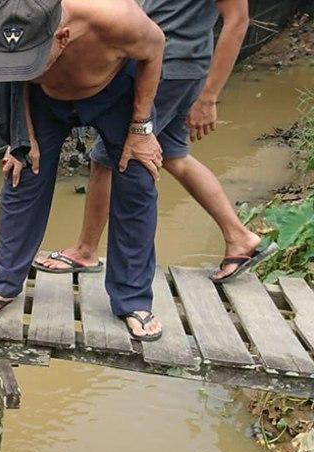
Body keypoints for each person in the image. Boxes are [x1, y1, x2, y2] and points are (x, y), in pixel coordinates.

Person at [33, 0, 271, 284]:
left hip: (166, 66)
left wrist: (209, 97)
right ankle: (239, 237)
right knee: (174, 155)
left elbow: (238, 20)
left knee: (110, 159)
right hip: (167, 62)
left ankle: (85, 251)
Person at [0, 0, 166, 341]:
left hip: (115, 90)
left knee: (137, 175)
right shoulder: (3, 16)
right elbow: (9, 78)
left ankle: (132, 297)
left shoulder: (116, 18)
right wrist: (21, 135)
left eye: (32, 60)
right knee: (22, 170)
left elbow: (155, 49)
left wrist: (140, 129)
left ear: (62, 37)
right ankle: (4, 283)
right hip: (45, 98)